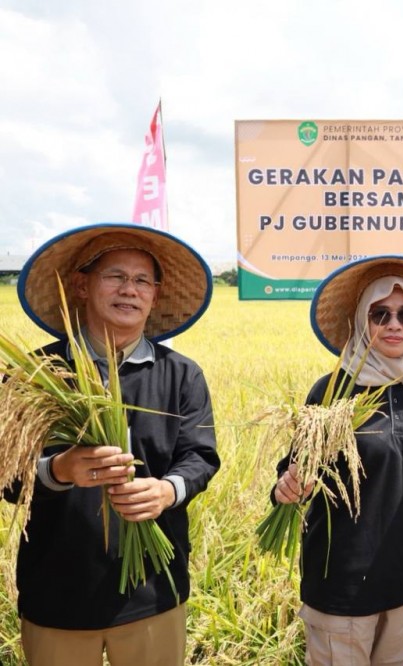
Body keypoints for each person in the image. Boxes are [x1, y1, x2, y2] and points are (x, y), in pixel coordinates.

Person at [11, 223, 219, 665]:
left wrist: (167, 491)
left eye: (142, 280)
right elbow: (8, 476)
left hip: (153, 591)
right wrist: (59, 470)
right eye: (116, 276)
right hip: (57, 591)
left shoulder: (181, 375)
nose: (130, 289)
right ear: (82, 286)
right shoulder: (38, 374)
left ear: (155, 296)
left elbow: (200, 457)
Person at [274, 255, 403, 665]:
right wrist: (287, 487)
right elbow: (293, 472)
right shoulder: (332, 392)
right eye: (380, 313)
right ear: (362, 321)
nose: (394, 324)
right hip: (339, 586)